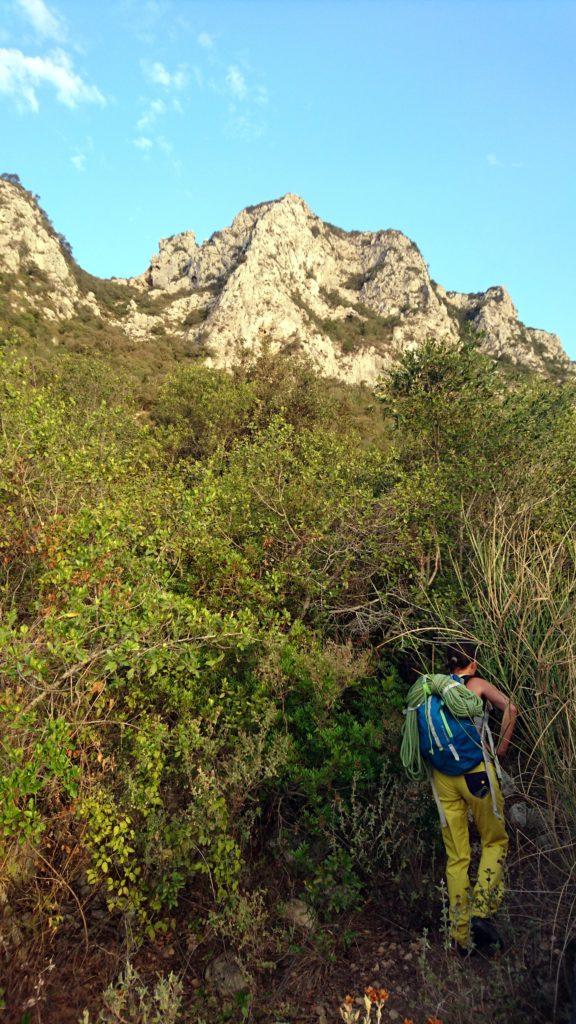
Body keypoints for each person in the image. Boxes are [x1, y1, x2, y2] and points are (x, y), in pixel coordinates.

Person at [432, 641, 518, 954]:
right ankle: (481, 912)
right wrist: (502, 749)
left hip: (443, 780)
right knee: (494, 840)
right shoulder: (476, 685)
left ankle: (461, 935)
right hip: (476, 774)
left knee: (457, 856)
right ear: (473, 664)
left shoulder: (434, 689)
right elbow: (510, 708)